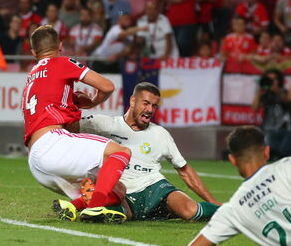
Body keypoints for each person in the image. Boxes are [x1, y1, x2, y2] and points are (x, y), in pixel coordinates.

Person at [25, 25, 131, 223]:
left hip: (36, 162)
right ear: (61, 46)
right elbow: (107, 86)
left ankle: (74, 206)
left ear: (33, 53)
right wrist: (93, 102)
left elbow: (63, 118)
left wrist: (71, 103)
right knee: (120, 152)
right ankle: (96, 207)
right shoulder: (62, 63)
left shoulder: (32, 75)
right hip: (52, 145)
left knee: (119, 192)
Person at [78, 82, 220, 222]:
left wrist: (213, 202)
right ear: (133, 101)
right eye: (145, 103)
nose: (150, 110)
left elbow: (185, 171)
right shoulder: (103, 124)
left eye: (154, 106)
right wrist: (75, 106)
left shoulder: (160, 134)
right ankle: (93, 206)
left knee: (190, 211)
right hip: (121, 189)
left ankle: (223, 211)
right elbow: (67, 128)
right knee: (121, 212)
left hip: (154, 186)